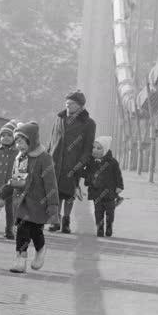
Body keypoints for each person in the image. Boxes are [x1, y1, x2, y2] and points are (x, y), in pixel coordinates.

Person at [10, 121, 59, 273]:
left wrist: (53, 206)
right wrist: (2, 194)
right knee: (22, 231)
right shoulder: (19, 157)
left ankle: (41, 248)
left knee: (36, 232)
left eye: (22, 141)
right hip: (21, 204)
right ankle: (20, 260)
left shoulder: (44, 158)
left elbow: (51, 184)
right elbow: (15, 179)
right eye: (17, 141)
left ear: (32, 140)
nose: (19, 145)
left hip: (39, 204)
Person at [47, 90, 95, 234]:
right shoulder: (59, 118)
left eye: (71, 103)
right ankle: (54, 221)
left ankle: (66, 222)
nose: (67, 105)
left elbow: (88, 147)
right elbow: (51, 140)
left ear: (80, 105)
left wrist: (81, 162)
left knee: (69, 193)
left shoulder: (88, 123)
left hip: (73, 163)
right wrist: (48, 156)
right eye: (66, 103)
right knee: (54, 193)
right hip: (55, 161)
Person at [83, 136, 123, 237]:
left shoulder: (112, 162)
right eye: (94, 147)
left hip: (110, 192)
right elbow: (87, 173)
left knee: (110, 211)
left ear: (105, 150)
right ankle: (100, 228)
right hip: (96, 192)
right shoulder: (91, 162)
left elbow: (118, 175)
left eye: (99, 148)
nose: (95, 150)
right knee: (98, 211)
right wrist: (82, 174)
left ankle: (109, 226)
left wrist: (119, 186)